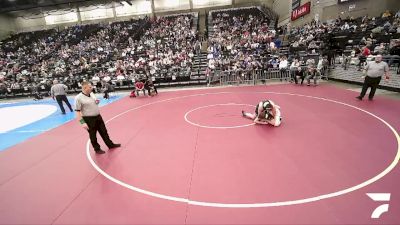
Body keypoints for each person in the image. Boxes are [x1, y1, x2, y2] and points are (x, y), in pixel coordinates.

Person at [75, 81, 121, 154]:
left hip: (98, 116)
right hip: (89, 119)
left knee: (104, 132)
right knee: (93, 135)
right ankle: (97, 149)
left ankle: (110, 145)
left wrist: (96, 102)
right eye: (90, 87)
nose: (92, 88)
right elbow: (77, 111)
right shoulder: (78, 98)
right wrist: (82, 123)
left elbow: (94, 102)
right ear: (85, 88)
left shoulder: (92, 93)